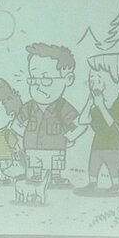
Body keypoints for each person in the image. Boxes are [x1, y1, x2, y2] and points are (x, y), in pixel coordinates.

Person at [75, 53, 119, 197]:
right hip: (98, 144)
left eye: (100, 81)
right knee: (93, 164)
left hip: (114, 145)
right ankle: (92, 183)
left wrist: (101, 106)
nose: (95, 86)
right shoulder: (96, 106)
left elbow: (111, 123)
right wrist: (89, 103)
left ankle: (116, 185)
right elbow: (83, 120)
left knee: (113, 167)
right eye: (92, 81)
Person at [19, 42, 79, 188]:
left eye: (46, 79)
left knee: (55, 162)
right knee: (36, 162)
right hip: (32, 146)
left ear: (68, 79)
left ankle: (55, 177)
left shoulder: (62, 106)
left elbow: (77, 123)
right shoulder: (29, 106)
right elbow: (17, 123)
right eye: (33, 79)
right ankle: (36, 175)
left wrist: (70, 137)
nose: (38, 86)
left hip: (56, 144)